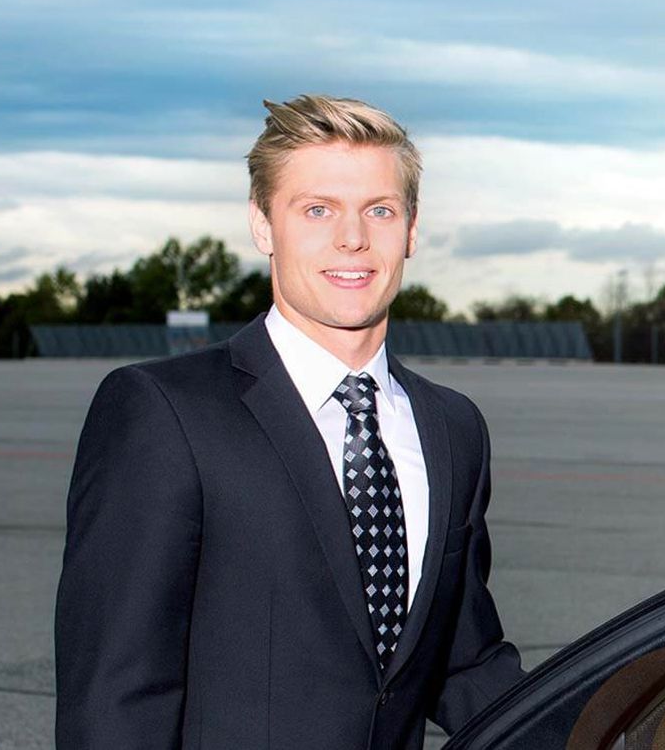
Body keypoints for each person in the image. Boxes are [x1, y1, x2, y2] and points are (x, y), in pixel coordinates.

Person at [56, 95, 526, 749]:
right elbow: (116, 698)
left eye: (380, 210)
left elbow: (464, 661)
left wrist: (611, 726)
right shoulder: (163, 413)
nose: (353, 238)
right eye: (317, 209)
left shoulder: (453, 428)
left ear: (412, 229)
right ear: (262, 224)